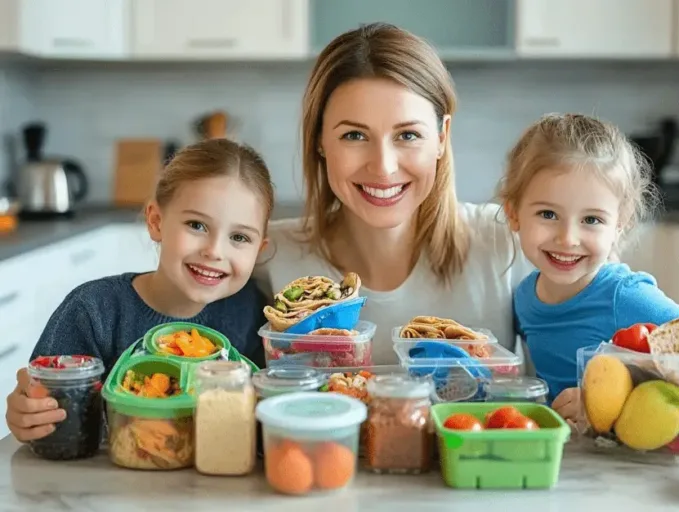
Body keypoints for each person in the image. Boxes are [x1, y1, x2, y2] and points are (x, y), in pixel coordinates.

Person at [255, 22, 533, 365]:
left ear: (442, 137)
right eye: (354, 136)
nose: (383, 167)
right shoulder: (265, 258)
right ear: (319, 141)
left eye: (408, 135)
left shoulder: (509, 244)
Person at [6, 138, 274, 442]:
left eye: (239, 237)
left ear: (259, 250)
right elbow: (41, 406)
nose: (214, 251)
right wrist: (28, 414)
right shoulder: (93, 311)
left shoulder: (250, 310)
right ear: (156, 221)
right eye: (197, 225)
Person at [498, 113, 679, 422]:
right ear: (514, 213)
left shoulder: (625, 297)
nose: (568, 238)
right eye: (548, 214)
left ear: (621, 224)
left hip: (625, 463)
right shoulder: (525, 298)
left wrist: (615, 397)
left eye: (591, 220)